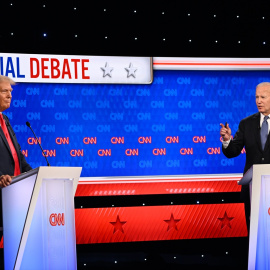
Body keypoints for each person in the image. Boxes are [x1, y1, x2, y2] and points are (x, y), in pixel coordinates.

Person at [220, 81, 270, 233]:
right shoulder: (246, 123)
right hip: (252, 191)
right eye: (256, 97)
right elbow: (232, 152)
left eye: (263, 97)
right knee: (255, 234)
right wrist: (228, 140)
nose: (258, 101)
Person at [0, 75, 32, 236]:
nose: (10, 95)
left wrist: (33, 173)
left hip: (14, 196)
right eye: (4, 91)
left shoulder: (4, 120)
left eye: (10, 91)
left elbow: (16, 153)